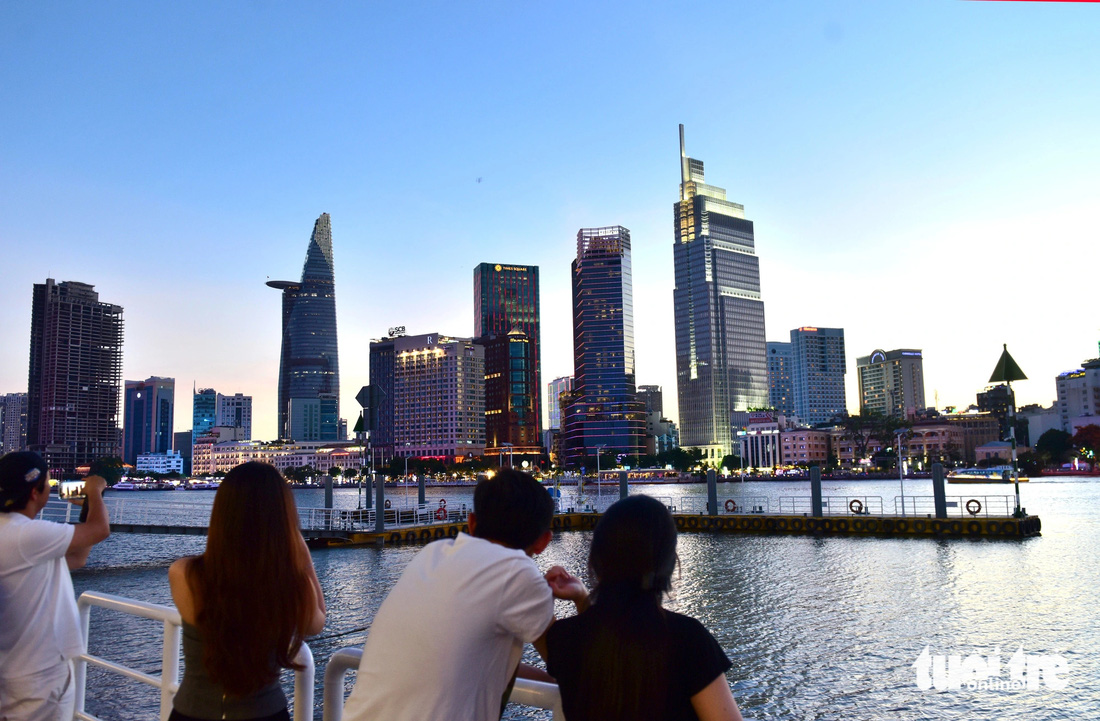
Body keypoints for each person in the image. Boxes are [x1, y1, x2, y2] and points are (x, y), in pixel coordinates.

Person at [342, 469, 588, 721]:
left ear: (471, 523)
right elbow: (576, 669)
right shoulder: (517, 572)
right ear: (544, 541)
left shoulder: (432, 554)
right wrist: (581, 596)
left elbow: (466, 663)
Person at [546, 494, 744, 721]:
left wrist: (582, 598)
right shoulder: (688, 639)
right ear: (669, 564)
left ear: (596, 561)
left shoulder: (564, 637)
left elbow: (599, 633)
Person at [167, 462, 326, 721]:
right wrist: (303, 559)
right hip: (265, 713)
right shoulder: (287, 583)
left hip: (193, 711)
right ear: (282, 516)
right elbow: (316, 623)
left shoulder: (183, 574)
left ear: (221, 513)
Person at [0, 451, 110, 721]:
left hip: (17, 671)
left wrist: (85, 505)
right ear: (36, 493)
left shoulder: (21, 534)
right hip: (39, 676)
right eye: (48, 484)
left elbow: (78, 556)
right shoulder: (26, 535)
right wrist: (95, 491)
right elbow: (100, 530)